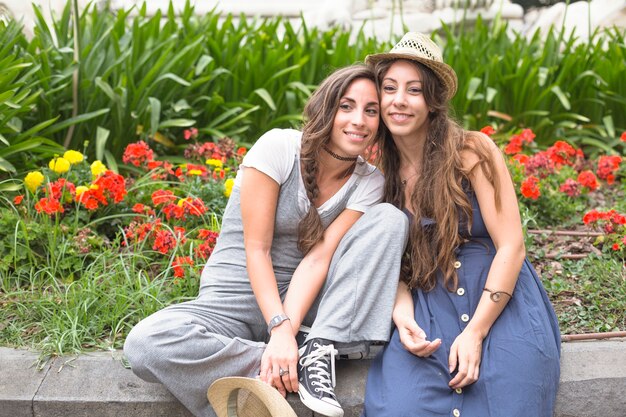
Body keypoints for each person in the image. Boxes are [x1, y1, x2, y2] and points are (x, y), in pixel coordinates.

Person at [123, 64, 409, 417]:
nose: (359, 121)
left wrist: (288, 327)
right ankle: (289, 363)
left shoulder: (369, 182)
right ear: (326, 107)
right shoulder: (279, 147)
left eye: (371, 111)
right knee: (145, 345)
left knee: (391, 218)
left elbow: (319, 258)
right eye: (346, 106)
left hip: (304, 307)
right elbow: (256, 249)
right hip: (234, 301)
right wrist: (279, 335)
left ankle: (309, 349)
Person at [361, 32, 561, 417]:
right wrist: (403, 319)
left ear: (433, 101)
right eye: (389, 88)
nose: (399, 100)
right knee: (401, 406)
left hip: (501, 304)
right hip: (427, 304)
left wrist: (476, 331)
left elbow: (512, 245)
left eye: (414, 90)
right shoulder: (378, 177)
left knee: (508, 400)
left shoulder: (473, 150)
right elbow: (393, 268)